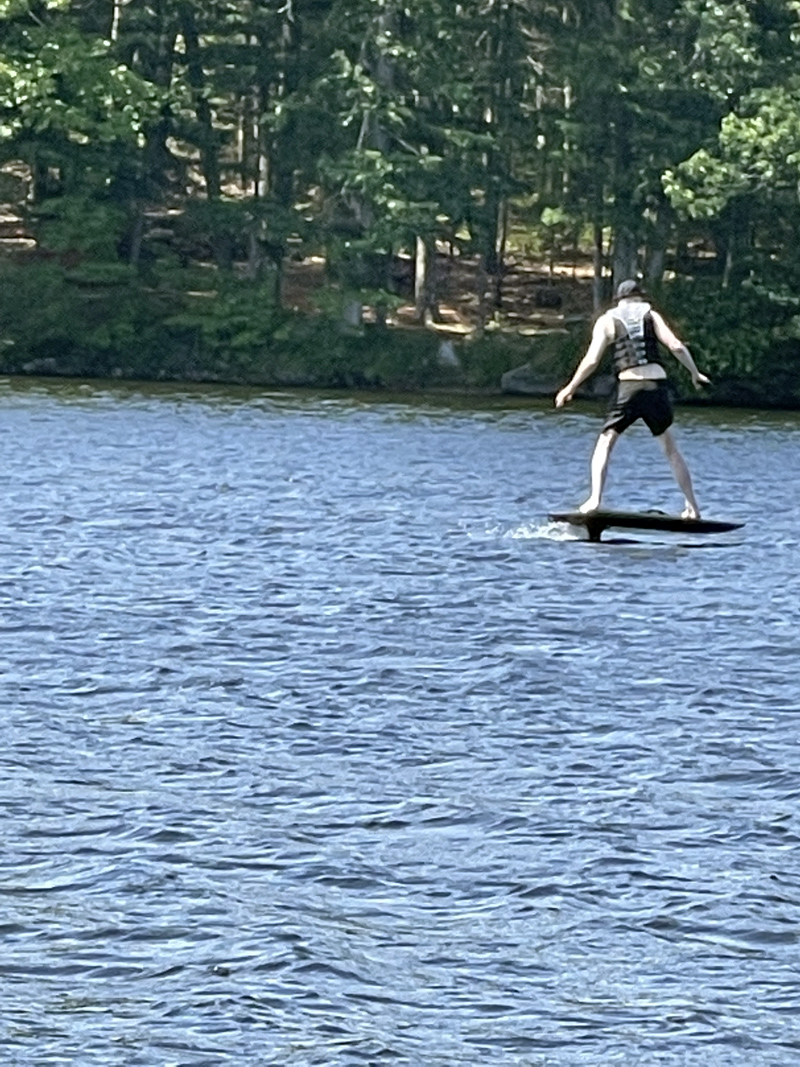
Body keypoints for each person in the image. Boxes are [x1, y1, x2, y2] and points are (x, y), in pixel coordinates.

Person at [554, 279, 710, 517]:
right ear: (640, 297)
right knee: (670, 449)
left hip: (629, 387)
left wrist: (570, 387)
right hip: (656, 387)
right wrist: (695, 373)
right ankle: (693, 507)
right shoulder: (652, 315)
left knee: (605, 442)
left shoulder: (607, 320)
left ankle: (594, 500)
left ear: (619, 299)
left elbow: (592, 360)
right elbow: (676, 345)